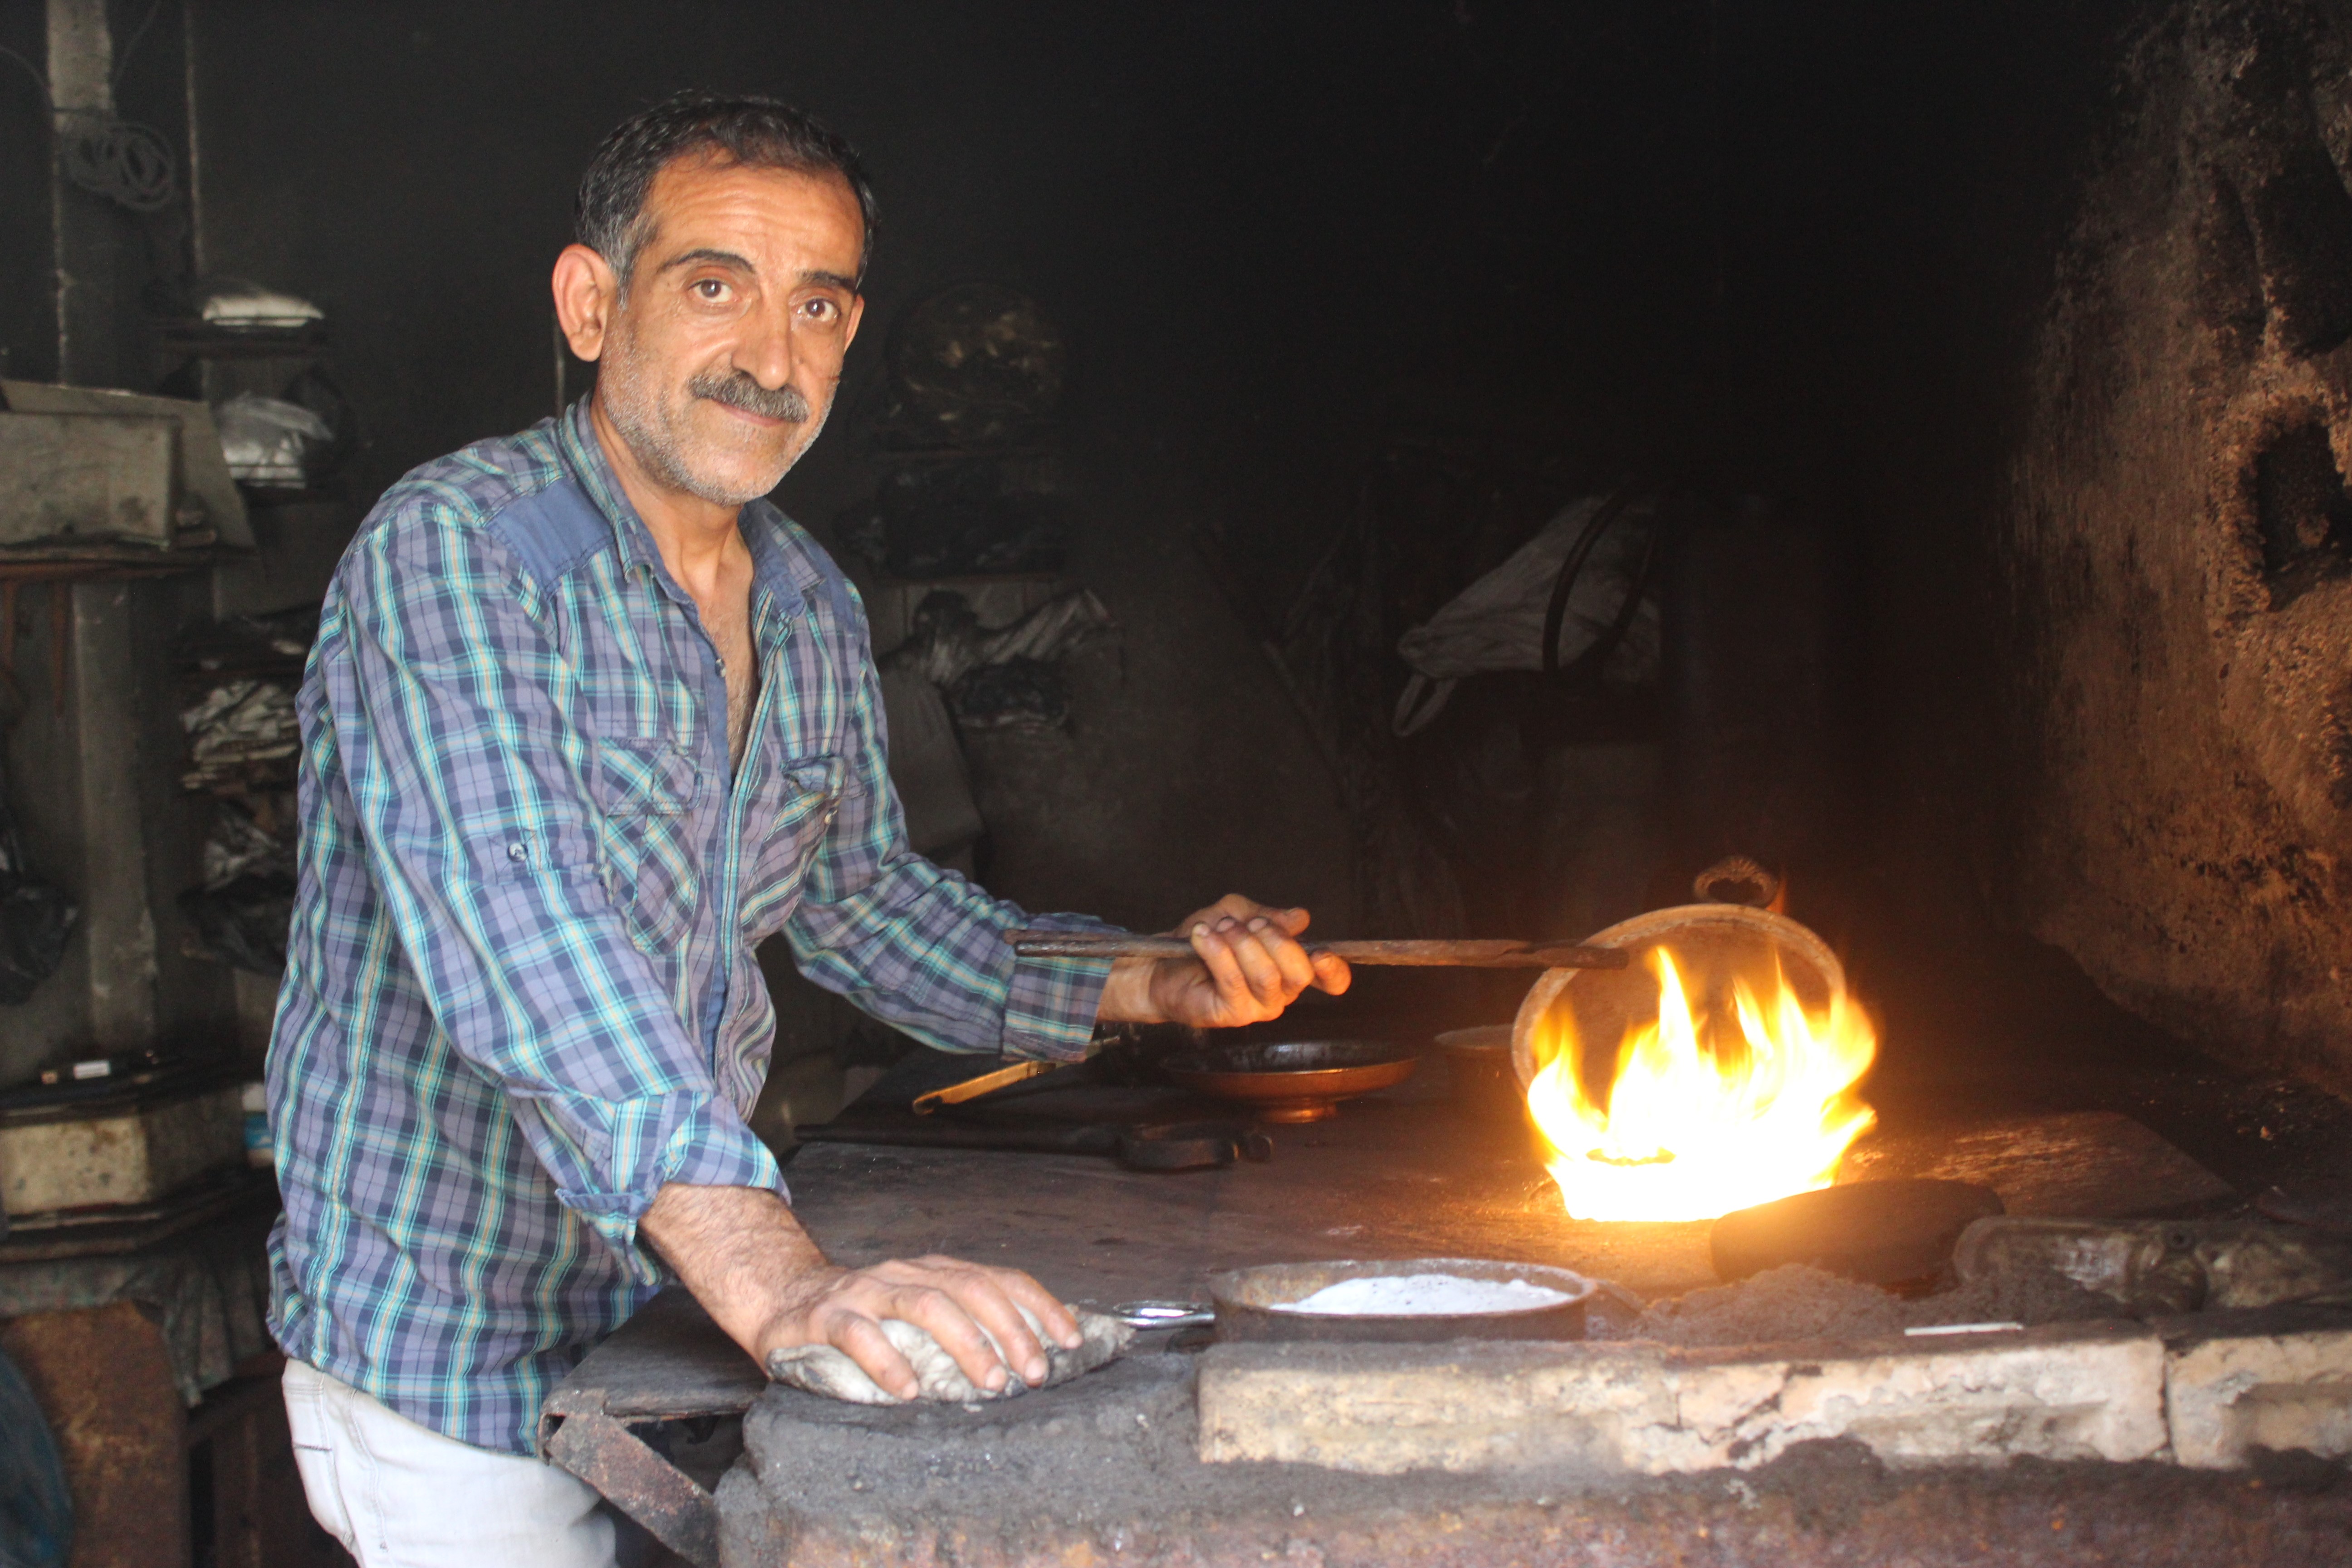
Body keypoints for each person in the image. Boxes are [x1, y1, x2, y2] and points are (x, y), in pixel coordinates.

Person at [265, 91, 1349, 1567]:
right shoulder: (459, 555)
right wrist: (780, 1282)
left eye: (820, 305)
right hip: (460, 1352)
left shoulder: (808, 602)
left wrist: (1146, 978)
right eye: (714, 286)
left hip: (670, 1325)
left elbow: (863, 903)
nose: (773, 360)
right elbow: (526, 939)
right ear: (591, 305)